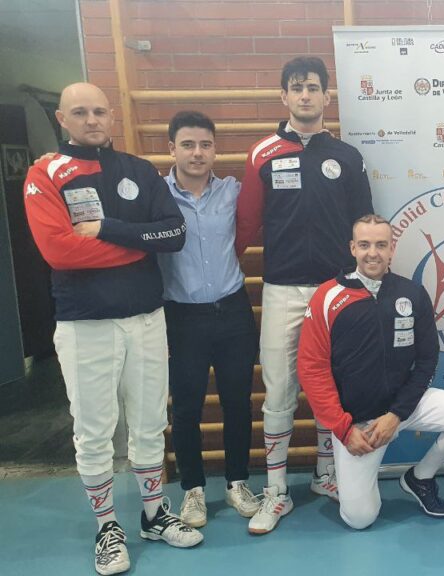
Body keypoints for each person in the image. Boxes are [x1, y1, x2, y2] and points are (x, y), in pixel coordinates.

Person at [23, 82, 199, 575]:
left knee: (149, 422)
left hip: (146, 318)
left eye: (99, 111)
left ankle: (154, 515)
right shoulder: (44, 173)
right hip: (85, 325)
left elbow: (174, 233)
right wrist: (140, 245)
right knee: (95, 431)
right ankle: (107, 527)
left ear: (112, 115)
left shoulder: (139, 171)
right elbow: (59, 251)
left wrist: (108, 232)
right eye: (80, 112)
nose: (92, 120)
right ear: (62, 119)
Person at [235, 56, 374, 534]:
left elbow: (364, 227)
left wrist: (361, 284)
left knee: (331, 386)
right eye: (297, 87)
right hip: (282, 288)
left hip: (337, 290)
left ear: (326, 96)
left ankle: (325, 474)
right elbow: (246, 223)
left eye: (313, 87)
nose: (305, 95)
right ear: (284, 96)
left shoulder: (348, 156)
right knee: (279, 389)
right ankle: (276, 491)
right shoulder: (262, 154)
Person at [297, 214, 444, 529]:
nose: (373, 253)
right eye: (365, 245)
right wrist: (344, 429)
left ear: (392, 249)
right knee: (360, 519)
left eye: (381, 245)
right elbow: (312, 369)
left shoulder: (412, 293)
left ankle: (420, 477)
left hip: (404, 407)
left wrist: (396, 414)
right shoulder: (327, 297)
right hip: (360, 425)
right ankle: (357, 480)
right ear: (352, 248)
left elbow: (427, 360)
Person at [157, 111, 261, 528]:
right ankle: (193, 490)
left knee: (238, 402)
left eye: (205, 145)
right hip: (182, 317)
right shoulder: (156, 196)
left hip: (233, 312)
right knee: (186, 407)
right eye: (188, 144)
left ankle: (237, 481)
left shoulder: (233, 191)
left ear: (215, 149)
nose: (197, 153)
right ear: (172, 149)